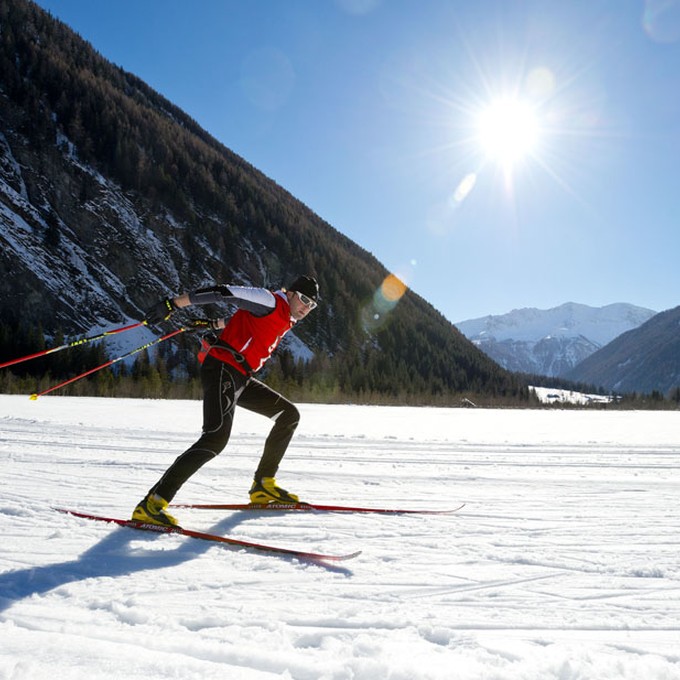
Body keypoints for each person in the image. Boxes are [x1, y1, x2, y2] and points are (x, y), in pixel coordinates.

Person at [131, 275, 319, 527]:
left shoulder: (285, 317)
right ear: (292, 293)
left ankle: (264, 486)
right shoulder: (270, 301)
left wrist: (212, 324)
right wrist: (173, 304)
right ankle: (152, 504)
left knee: (288, 416)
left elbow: (242, 320)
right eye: (305, 299)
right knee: (215, 437)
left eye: (312, 305)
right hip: (222, 368)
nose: (306, 307)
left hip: (240, 376)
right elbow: (223, 292)